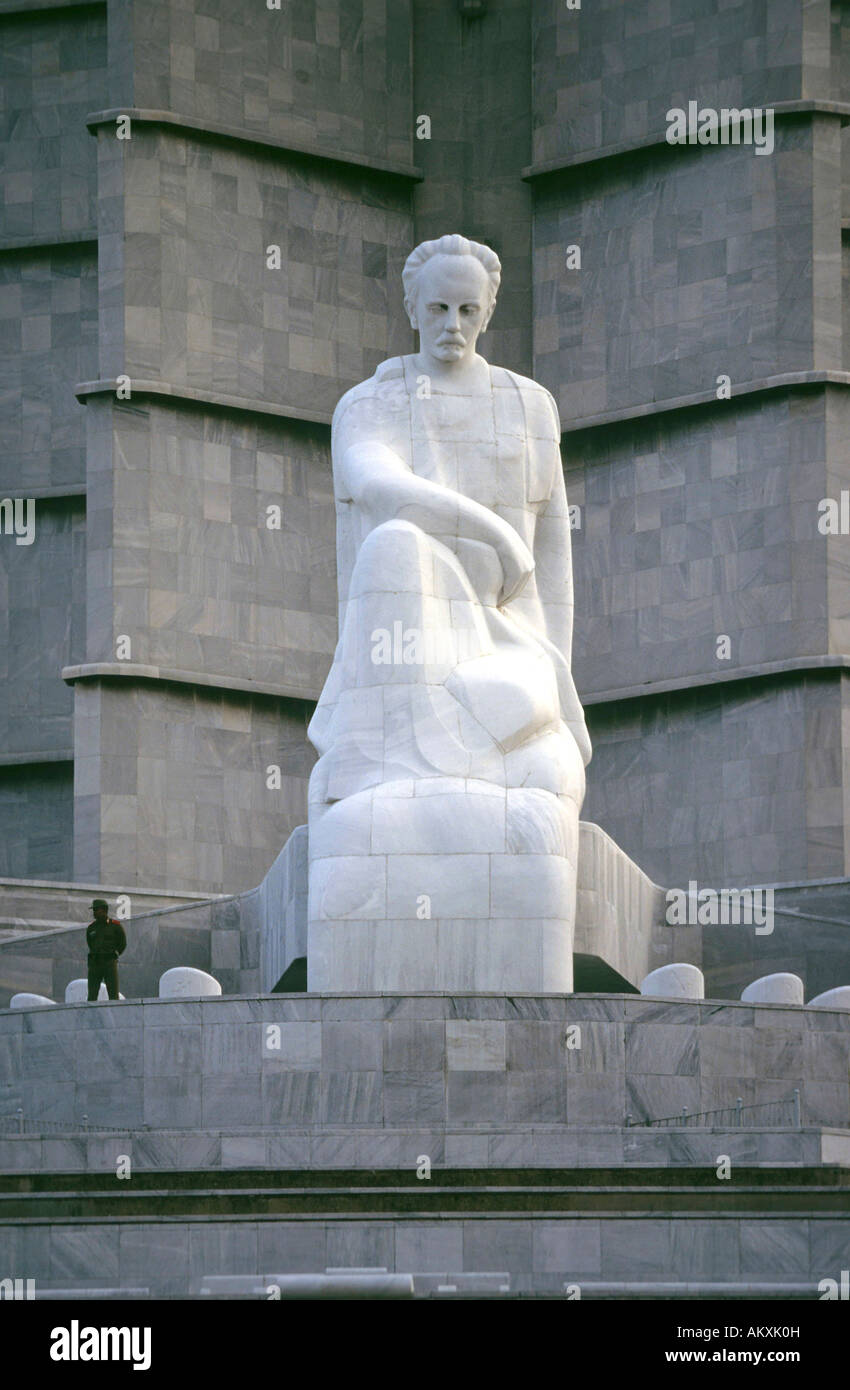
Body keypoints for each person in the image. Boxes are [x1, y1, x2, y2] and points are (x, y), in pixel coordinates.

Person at [85, 899, 127, 1001]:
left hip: (109, 962)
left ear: (104, 910)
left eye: (96, 910)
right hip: (95, 963)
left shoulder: (115, 926)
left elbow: (122, 943)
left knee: (113, 995)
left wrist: (115, 954)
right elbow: (90, 943)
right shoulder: (91, 928)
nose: (94, 913)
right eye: (93, 910)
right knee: (92, 995)